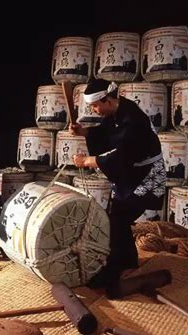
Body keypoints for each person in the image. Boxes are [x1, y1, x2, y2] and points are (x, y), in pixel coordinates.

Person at [70, 78, 166, 299]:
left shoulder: (133, 120)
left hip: (147, 176)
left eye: (96, 106)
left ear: (108, 100)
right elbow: (106, 134)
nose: (94, 110)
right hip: (130, 175)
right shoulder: (117, 112)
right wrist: (84, 132)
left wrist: (87, 161)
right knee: (116, 218)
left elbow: (121, 156)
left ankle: (114, 270)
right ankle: (127, 263)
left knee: (117, 220)